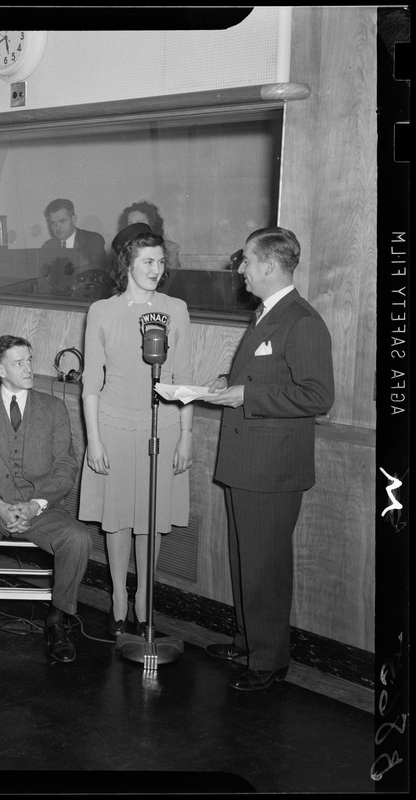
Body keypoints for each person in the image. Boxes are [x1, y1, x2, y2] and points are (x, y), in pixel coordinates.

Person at [203, 227, 334, 692]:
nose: (240, 269)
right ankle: (247, 641)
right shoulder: (267, 315)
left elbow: (318, 396)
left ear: (269, 266)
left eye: (246, 261)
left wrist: (248, 393)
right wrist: (230, 383)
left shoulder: (301, 320)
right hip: (249, 461)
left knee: (266, 565)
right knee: (246, 559)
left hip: (272, 467)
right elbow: (268, 377)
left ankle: (269, 660)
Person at [78, 223, 193, 639]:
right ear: (127, 262)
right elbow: (91, 380)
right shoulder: (102, 311)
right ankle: (119, 596)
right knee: (118, 518)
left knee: (152, 516)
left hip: (159, 427)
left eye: (161, 262)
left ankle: (145, 593)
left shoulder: (175, 309)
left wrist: (185, 434)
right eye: (148, 261)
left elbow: (183, 377)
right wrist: (94, 438)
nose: (156, 269)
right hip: (112, 425)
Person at [0, 335, 91, 665]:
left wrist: (35, 504)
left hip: (40, 508)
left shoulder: (54, 409)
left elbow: (66, 467)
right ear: (0, 369)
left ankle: (57, 620)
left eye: (30, 360)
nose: (29, 368)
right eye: (19, 363)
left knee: (79, 538)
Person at [39, 198, 108, 299]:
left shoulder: (93, 241)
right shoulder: (48, 246)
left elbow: (95, 281)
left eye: (62, 221)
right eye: (53, 223)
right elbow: (43, 282)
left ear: (74, 219)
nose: (57, 227)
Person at [118, 201, 182, 270]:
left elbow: (170, 278)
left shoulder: (170, 249)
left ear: (152, 225)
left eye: (139, 223)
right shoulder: (123, 249)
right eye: (130, 224)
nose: (134, 228)